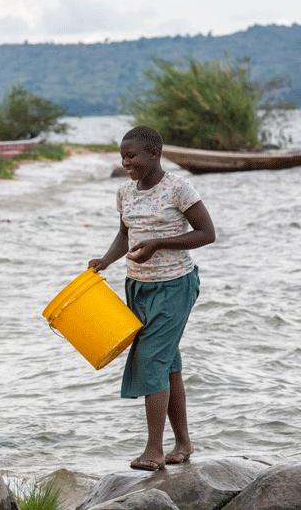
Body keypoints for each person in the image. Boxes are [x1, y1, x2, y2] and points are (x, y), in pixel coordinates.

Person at [88, 126, 216, 472]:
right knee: (168, 363)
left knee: (153, 362)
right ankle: (184, 443)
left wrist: (160, 243)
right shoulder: (125, 193)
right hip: (138, 287)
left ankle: (154, 450)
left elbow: (207, 233)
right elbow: (124, 233)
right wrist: (106, 260)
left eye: (132, 156)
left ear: (154, 154)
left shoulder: (178, 188)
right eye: (123, 157)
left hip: (175, 286)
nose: (126, 163)